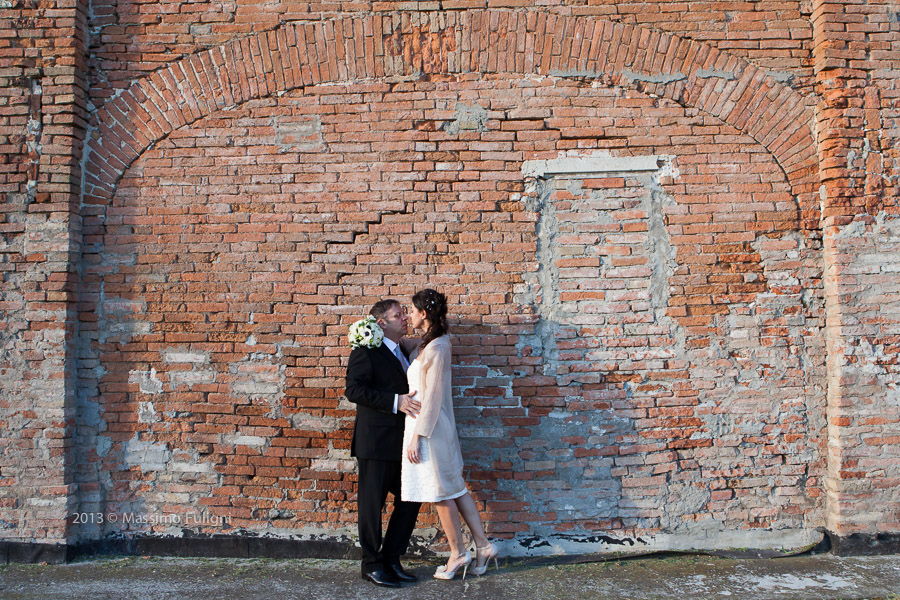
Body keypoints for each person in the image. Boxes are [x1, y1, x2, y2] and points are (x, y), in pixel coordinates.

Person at [401, 288, 500, 581]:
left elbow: (431, 397)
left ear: (425, 313)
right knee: (455, 489)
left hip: (430, 429)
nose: (408, 315)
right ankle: (483, 546)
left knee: (441, 491)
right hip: (431, 427)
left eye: (412, 311)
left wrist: (417, 436)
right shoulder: (431, 342)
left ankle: (458, 554)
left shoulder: (437, 348)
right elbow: (405, 345)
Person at [345, 299, 423, 588]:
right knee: (372, 505)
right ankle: (370, 563)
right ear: (381, 323)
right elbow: (353, 390)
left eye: (405, 313)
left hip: (402, 443)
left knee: (411, 498)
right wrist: (396, 402)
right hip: (375, 442)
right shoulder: (366, 351)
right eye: (397, 315)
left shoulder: (402, 349)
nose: (404, 318)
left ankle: (392, 558)